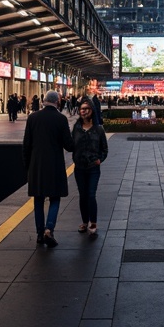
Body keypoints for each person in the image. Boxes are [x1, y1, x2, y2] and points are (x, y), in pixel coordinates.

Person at [23, 90, 74, 247]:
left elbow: (26, 145)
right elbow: (69, 146)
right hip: (55, 164)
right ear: (57, 102)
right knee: (55, 198)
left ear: (44, 101)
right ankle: (49, 229)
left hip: (36, 165)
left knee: (38, 199)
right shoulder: (61, 119)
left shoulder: (33, 118)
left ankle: (39, 234)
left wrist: (28, 166)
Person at [71, 95, 108, 238]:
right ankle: (84, 221)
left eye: (86, 109)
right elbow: (70, 144)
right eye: (81, 109)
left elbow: (104, 149)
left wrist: (100, 160)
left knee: (91, 194)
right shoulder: (76, 128)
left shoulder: (98, 129)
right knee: (82, 195)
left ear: (92, 110)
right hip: (79, 167)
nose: (83, 111)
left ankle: (93, 222)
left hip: (93, 167)